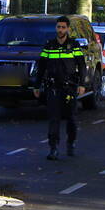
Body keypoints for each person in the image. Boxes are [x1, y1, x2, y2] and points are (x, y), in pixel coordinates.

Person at [33, 16, 86, 160]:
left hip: (69, 87)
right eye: (58, 27)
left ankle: (71, 143)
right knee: (54, 118)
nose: (60, 30)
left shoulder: (74, 45)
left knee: (71, 118)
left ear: (68, 29)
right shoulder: (49, 45)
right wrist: (36, 85)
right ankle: (53, 148)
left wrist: (82, 84)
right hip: (53, 87)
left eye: (63, 27)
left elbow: (81, 65)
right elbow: (42, 66)